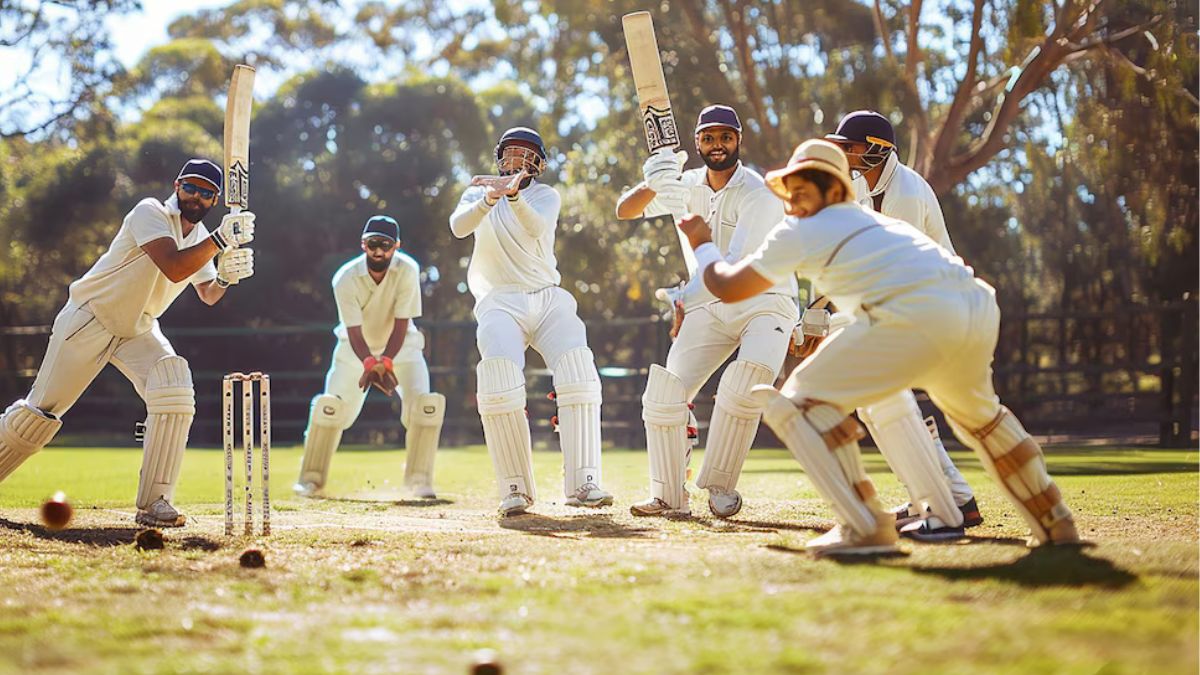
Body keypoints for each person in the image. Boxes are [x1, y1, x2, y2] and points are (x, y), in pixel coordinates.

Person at [674, 139, 1080, 555]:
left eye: (803, 190)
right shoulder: (875, 221)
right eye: (789, 191)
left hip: (916, 314)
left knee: (801, 403)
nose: (793, 201)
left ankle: (865, 526)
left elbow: (727, 286)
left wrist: (702, 241)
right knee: (984, 421)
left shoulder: (800, 228)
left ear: (833, 190)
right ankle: (1055, 521)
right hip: (973, 306)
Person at [0, 159, 256, 527]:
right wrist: (221, 240)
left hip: (138, 329)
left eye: (205, 192)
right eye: (190, 187)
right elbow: (173, 266)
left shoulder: (200, 239)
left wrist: (226, 279)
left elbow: (207, 294)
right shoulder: (149, 211)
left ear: (215, 199)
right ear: (177, 185)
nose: (196, 197)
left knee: (174, 388)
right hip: (91, 318)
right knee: (38, 414)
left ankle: (155, 502)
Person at [615, 105, 798, 517]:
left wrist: (683, 300)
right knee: (664, 393)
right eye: (709, 138)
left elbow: (734, 268)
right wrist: (654, 182)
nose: (718, 146)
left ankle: (720, 488)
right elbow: (624, 211)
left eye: (726, 137)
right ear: (697, 142)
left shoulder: (758, 192)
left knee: (743, 383)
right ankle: (667, 495)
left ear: (738, 140)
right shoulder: (685, 184)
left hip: (765, 300)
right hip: (709, 302)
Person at [820, 110, 981, 537]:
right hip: (904, 305)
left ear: (877, 149)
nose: (844, 153)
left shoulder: (907, 194)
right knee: (881, 402)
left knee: (886, 401)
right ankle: (953, 499)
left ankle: (946, 504)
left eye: (850, 147)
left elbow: (892, 266)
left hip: (936, 303)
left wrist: (841, 317)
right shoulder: (857, 184)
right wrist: (818, 309)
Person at [449, 126, 613, 516]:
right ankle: (515, 488)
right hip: (499, 300)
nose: (518, 160)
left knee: (579, 372)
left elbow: (535, 227)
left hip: (547, 297)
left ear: (538, 162)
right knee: (499, 379)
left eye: (527, 153)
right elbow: (458, 227)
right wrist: (490, 198)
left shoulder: (545, 195)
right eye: (512, 152)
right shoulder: (477, 193)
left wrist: (514, 194)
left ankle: (584, 482)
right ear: (500, 157)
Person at [295, 215, 445, 499]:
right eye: (373, 244)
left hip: (403, 350)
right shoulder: (345, 278)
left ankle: (419, 480)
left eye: (386, 245)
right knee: (330, 408)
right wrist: (369, 363)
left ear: (396, 246)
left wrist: (385, 361)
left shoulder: (408, 270)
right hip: (354, 352)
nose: (379, 251)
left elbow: (401, 323)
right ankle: (311, 479)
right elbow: (353, 330)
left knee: (425, 405)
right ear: (363, 244)